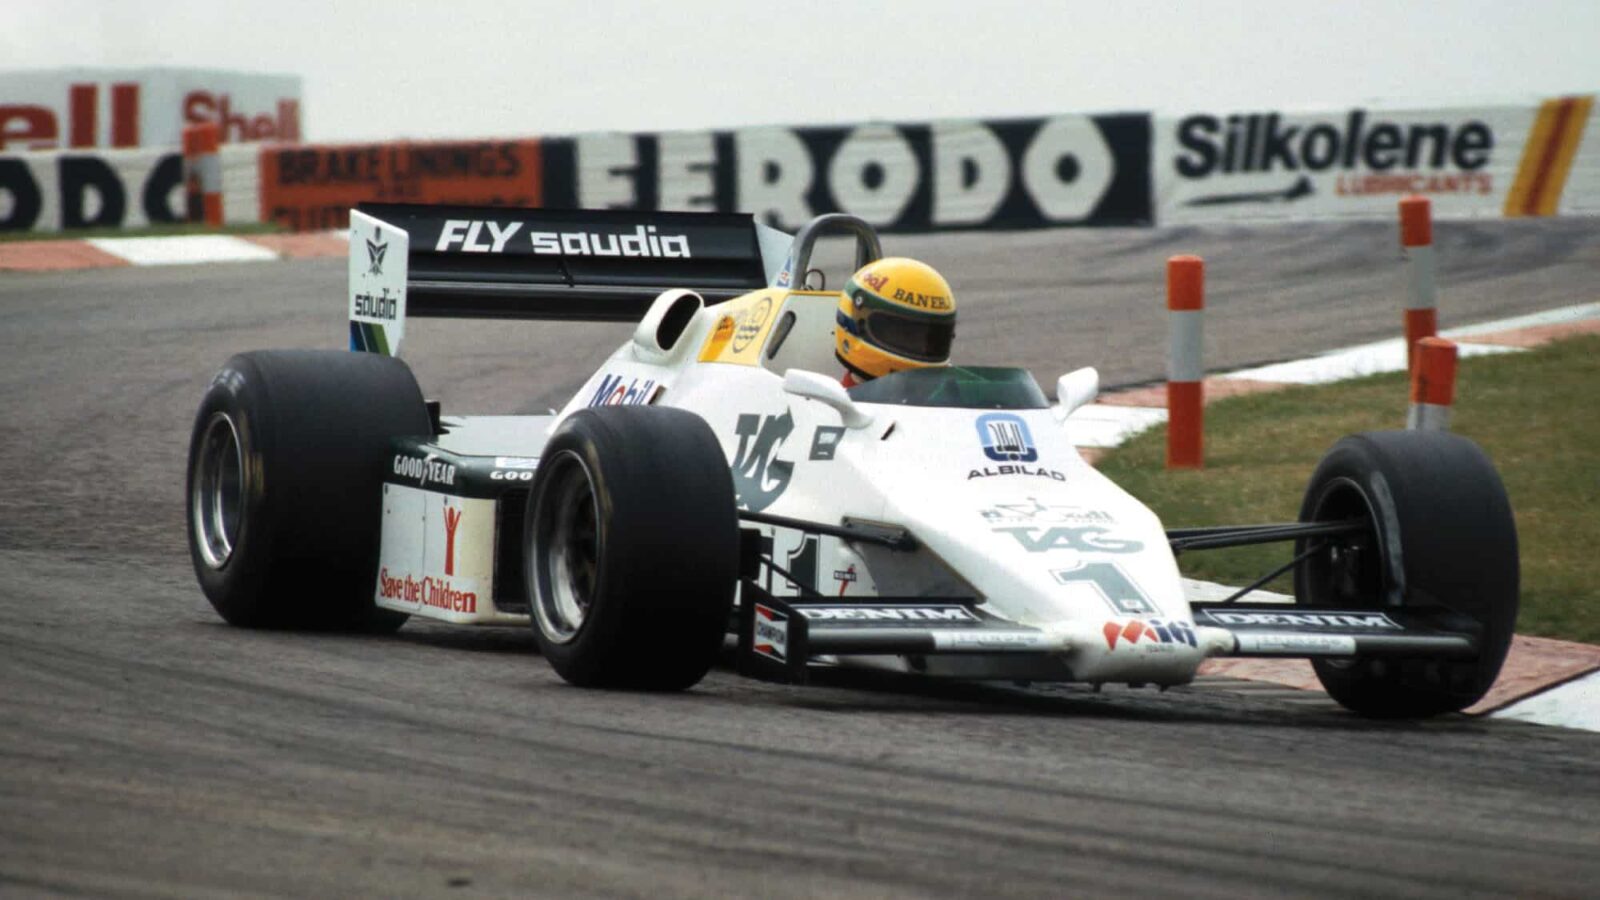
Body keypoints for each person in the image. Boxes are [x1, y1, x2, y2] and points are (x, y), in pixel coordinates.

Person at [834, 257, 958, 386]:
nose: (921, 345)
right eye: (905, 333)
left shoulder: (951, 397)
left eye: (932, 338)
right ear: (860, 326)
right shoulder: (835, 404)